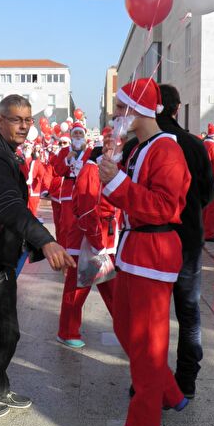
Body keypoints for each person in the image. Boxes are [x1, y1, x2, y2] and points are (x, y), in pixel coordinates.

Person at [0, 95, 74, 420]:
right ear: (0, 120)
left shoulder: (6, 153)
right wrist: (45, 242)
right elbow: (7, 204)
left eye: (28, 119)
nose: (24, 125)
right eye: (16, 119)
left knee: (8, 332)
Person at [99, 78, 191, 426]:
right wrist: (114, 167)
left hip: (153, 252)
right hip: (136, 251)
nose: (117, 115)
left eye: (122, 108)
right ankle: (170, 392)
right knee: (127, 329)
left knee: (149, 346)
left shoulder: (166, 150)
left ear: (137, 110)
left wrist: (118, 180)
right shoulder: (141, 147)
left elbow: (165, 207)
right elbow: (128, 198)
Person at [155, 83, 214, 399]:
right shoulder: (193, 144)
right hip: (187, 238)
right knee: (188, 311)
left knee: (153, 315)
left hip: (152, 240)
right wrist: (189, 212)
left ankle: (149, 380)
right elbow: (208, 192)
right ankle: (186, 380)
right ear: (177, 108)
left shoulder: (142, 143)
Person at [57, 132, 118, 348]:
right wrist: (96, 242)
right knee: (78, 288)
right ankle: (67, 331)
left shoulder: (96, 171)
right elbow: (86, 210)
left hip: (100, 239)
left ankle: (125, 328)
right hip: (89, 241)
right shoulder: (91, 172)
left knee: (110, 287)